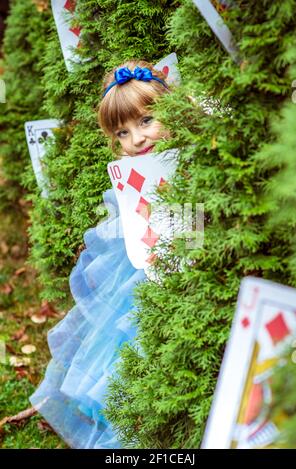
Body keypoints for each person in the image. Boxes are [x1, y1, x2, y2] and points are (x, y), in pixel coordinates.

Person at [29, 60, 172, 449]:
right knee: (126, 341)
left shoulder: (187, 161)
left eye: (146, 121)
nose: (136, 140)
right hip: (137, 269)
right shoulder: (131, 171)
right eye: (122, 132)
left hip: (174, 260)